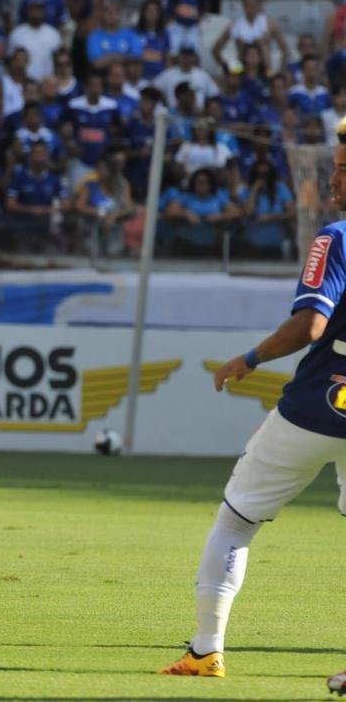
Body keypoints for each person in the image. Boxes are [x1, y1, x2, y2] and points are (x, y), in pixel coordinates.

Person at [159, 123, 346, 678]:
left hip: (317, 407)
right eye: (336, 165)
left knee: (237, 521)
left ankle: (205, 649)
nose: (335, 178)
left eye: (344, 168)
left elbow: (310, 325)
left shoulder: (335, 238)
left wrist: (252, 358)